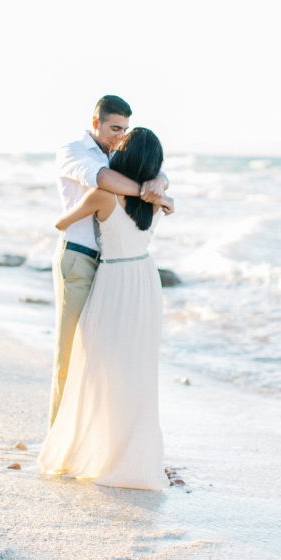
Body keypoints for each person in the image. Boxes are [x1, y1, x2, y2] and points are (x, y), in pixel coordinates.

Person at [38, 127, 174, 490]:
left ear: (123, 159)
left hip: (113, 280)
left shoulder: (102, 196)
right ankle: (132, 455)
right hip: (145, 280)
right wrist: (155, 187)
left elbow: (61, 222)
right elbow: (167, 199)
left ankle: (88, 447)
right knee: (136, 370)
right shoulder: (159, 201)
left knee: (93, 365)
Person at [48, 95, 169, 427]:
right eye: (115, 128)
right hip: (79, 258)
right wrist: (153, 190)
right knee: (69, 354)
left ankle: (94, 437)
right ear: (95, 123)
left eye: (125, 129)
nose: (120, 136)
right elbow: (103, 180)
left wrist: (160, 181)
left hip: (111, 267)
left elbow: (153, 168)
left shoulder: (120, 152)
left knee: (102, 357)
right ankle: (57, 437)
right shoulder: (73, 152)